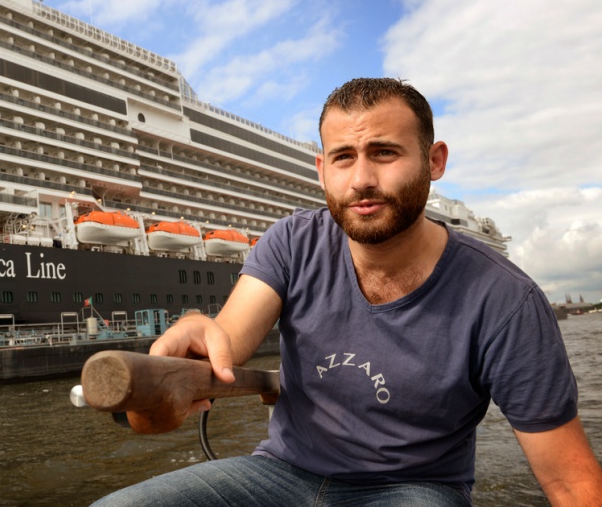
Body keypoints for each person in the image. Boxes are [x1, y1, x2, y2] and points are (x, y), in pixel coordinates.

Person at [92, 78, 602, 506]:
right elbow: (225, 338)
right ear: (321, 170)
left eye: (384, 152)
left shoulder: (504, 299)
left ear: (435, 160)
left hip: (414, 488)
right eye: (343, 157)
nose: (361, 179)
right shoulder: (292, 242)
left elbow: (568, 479)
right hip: (281, 474)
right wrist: (188, 345)